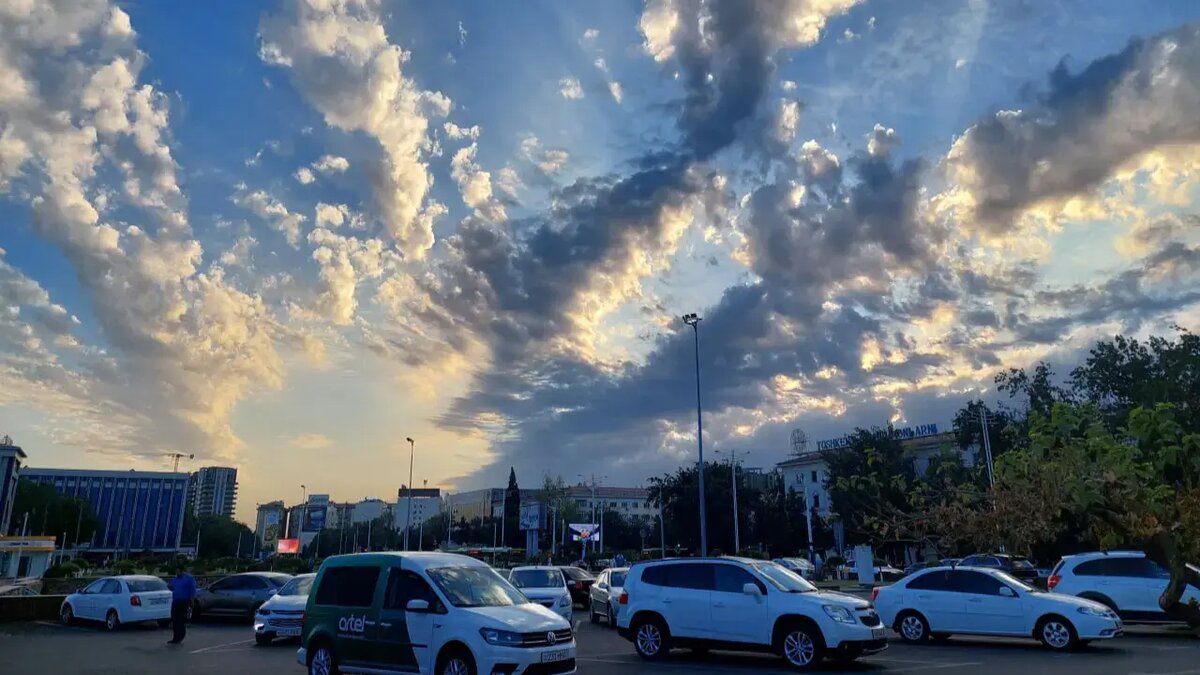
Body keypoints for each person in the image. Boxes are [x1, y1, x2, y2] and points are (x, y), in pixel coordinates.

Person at [166, 565, 197, 645]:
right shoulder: (175, 579)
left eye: (178, 571)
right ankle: (175, 638)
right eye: (176, 571)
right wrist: (169, 585)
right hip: (176, 601)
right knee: (174, 619)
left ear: (182, 571)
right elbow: (171, 587)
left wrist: (192, 601)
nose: (177, 573)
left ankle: (180, 636)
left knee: (181, 619)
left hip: (184, 601)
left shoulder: (189, 578)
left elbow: (192, 590)